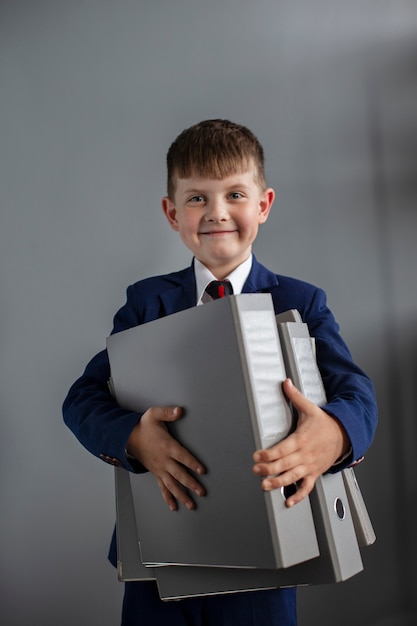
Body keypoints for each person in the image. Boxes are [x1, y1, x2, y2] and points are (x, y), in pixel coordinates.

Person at [63, 119, 377, 626]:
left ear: (263, 205)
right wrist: (134, 438)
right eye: (196, 199)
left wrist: (336, 434)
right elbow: (81, 398)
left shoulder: (300, 301)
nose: (217, 213)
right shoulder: (147, 303)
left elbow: (357, 393)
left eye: (234, 194)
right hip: (162, 553)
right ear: (171, 213)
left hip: (266, 564)